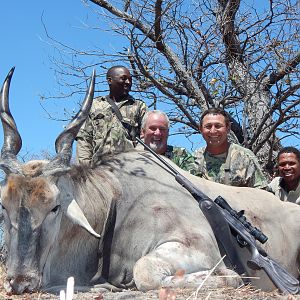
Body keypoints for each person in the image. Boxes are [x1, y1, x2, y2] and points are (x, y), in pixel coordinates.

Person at [76, 66, 147, 164]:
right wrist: (84, 169)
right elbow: (84, 139)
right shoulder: (94, 106)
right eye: (123, 78)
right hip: (99, 169)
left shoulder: (139, 106)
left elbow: (146, 138)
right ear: (110, 80)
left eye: (130, 79)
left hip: (129, 167)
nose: (128, 82)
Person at [192, 108, 267, 188]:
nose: (213, 131)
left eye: (218, 126)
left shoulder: (245, 156)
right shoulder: (195, 158)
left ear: (228, 128)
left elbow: (262, 192)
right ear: (200, 129)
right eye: (208, 126)